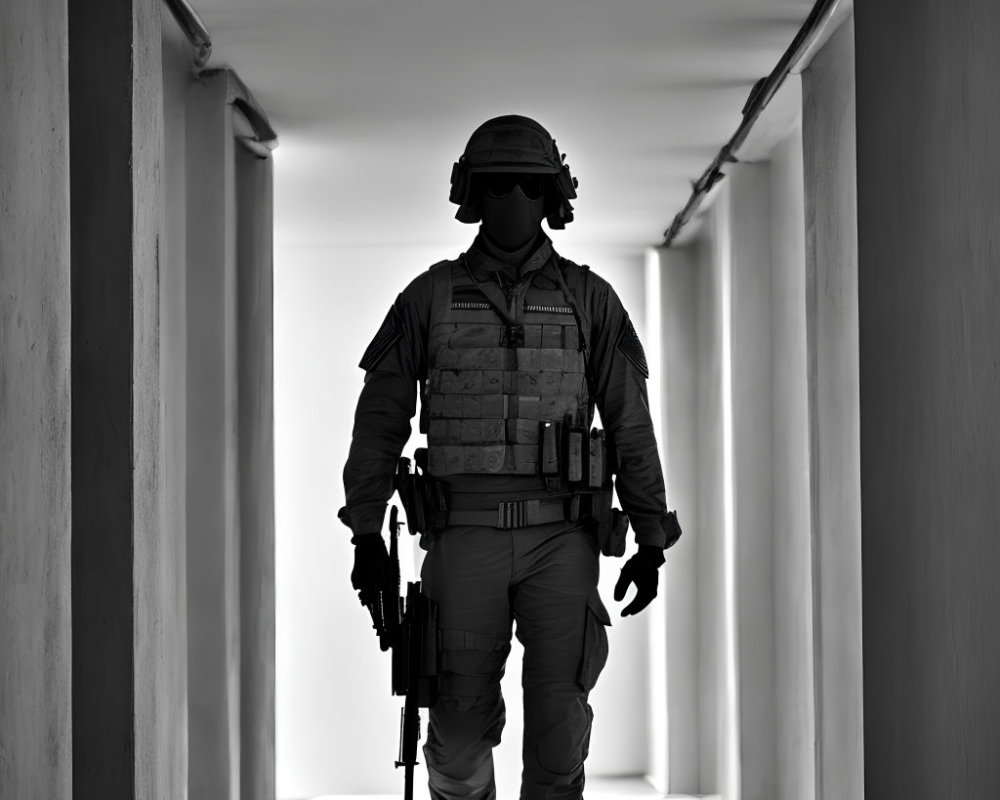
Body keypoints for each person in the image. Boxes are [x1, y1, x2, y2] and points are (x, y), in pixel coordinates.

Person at [339, 114, 681, 800]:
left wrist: (650, 537)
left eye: (529, 184)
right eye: (498, 184)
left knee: (560, 732)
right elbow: (380, 421)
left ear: (554, 194)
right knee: (458, 739)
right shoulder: (429, 298)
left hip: (563, 537)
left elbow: (629, 425)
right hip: (464, 535)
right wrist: (367, 531)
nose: (513, 198)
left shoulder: (591, 300)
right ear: (472, 191)